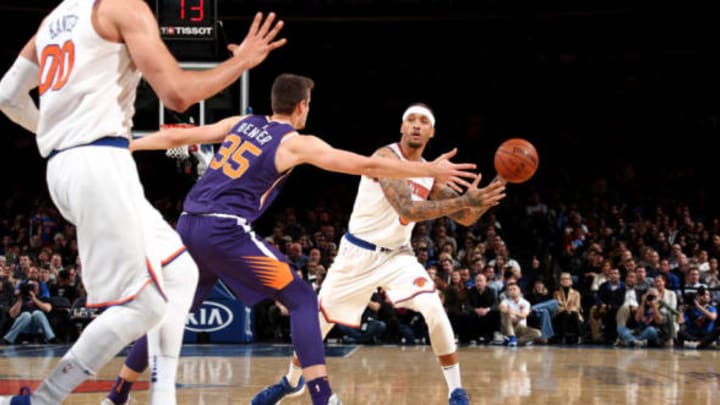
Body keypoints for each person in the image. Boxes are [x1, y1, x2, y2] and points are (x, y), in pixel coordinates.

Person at [101, 74, 485, 405]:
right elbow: (365, 165)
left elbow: (185, 134)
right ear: (301, 106)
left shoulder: (242, 121)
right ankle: (321, 395)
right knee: (301, 299)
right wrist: (426, 168)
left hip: (187, 223)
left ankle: (117, 394)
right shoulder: (295, 142)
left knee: (170, 314)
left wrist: (129, 144)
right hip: (224, 229)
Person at [0, 0, 286, 403]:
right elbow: (179, 95)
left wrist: (58, 135)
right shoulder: (124, 8)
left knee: (181, 271)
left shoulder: (53, 20)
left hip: (69, 164)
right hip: (98, 164)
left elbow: (8, 95)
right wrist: (244, 63)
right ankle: (41, 401)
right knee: (145, 306)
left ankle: (162, 396)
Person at [246, 100, 505, 405]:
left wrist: (481, 199)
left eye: (424, 121)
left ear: (432, 132)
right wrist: (463, 202)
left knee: (434, 308)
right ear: (402, 127)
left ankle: (456, 391)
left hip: (398, 256)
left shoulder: (429, 173)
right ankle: (291, 382)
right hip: (356, 255)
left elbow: (464, 217)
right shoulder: (385, 157)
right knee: (317, 324)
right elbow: (407, 208)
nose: (417, 125)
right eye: (411, 120)